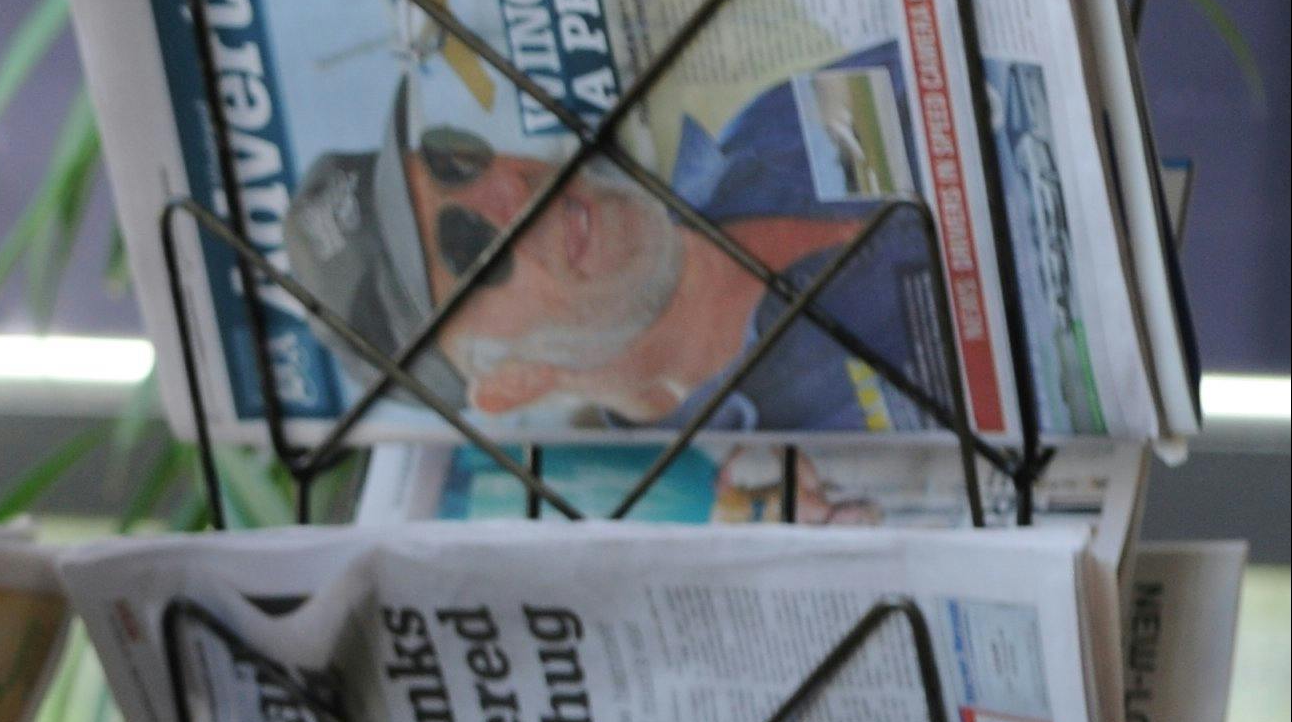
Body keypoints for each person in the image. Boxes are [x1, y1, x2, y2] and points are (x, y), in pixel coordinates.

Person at [281, 59, 965, 439]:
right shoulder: (774, 471)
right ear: (513, 383)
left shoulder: (771, 125)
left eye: (455, 161)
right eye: (466, 247)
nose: (509, 188)